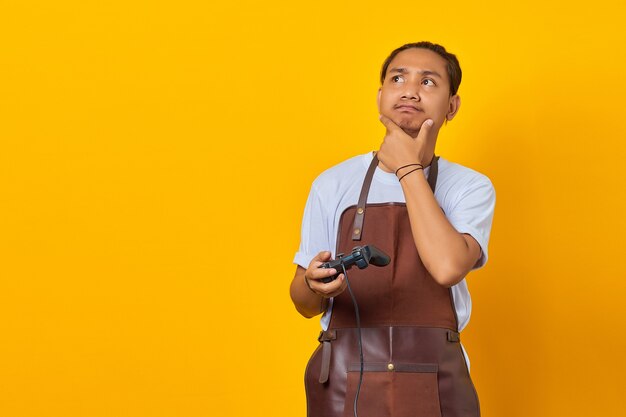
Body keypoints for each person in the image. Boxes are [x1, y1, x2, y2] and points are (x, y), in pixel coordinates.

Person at [290, 41, 495, 417]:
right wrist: (313, 284)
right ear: (381, 94)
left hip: (438, 380)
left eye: (429, 82)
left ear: (452, 106)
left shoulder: (470, 186)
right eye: (398, 78)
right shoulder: (333, 183)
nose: (410, 90)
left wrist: (407, 168)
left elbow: (448, 267)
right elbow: (303, 303)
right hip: (342, 379)